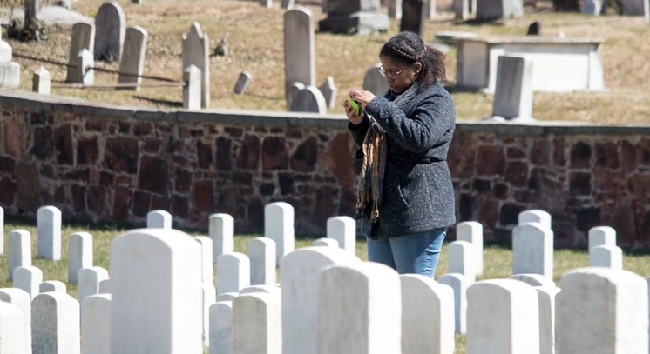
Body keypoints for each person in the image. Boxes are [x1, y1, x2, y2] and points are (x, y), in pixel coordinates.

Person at [344, 31, 456, 278]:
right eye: (385, 71)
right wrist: (359, 124)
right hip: (383, 210)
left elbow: (419, 138)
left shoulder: (436, 99)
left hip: (417, 211)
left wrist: (377, 106)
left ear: (416, 68)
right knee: (383, 294)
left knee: (413, 296)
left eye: (394, 71)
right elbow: (382, 143)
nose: (389, 77)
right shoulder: (394, 98)